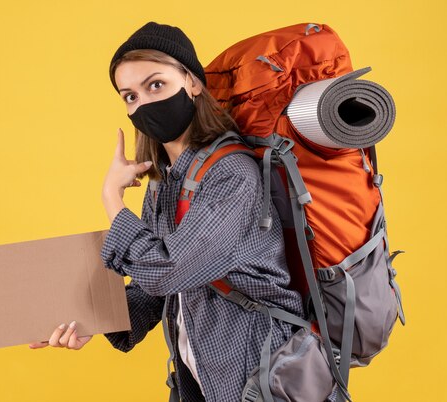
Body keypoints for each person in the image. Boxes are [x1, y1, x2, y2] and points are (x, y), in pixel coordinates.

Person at [29, 22, 304, 402]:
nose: (142, 103)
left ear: (192, 82)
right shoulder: (165, 182)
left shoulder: (232, 174)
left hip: (255, 369)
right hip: (198, 375)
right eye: (129, 96)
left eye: (155, 84)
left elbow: (166, 270)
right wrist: (89, 319)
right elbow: (149, 289)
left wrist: (113, 199)